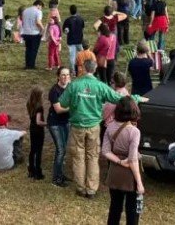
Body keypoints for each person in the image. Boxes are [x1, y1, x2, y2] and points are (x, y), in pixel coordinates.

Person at [55, 59, 128, 199]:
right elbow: (120, 99)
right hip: (94, 126)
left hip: (77, 127)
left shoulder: (74, 85)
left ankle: (80, 187)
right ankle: (91, 189)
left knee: (78, 157)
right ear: (94, 69)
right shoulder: (101, 86)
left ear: (82, 68)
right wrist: (136, 98)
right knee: (93, 157)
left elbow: (63, 102)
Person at [103, 96, 145, 225]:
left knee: (115, 208)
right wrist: (139, 182)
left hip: (114, 172)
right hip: (130, 175)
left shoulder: (110, 127)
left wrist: (119, 162)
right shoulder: (134, 131)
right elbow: (132, 159)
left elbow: (105, 151)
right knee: (132, 210)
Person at [47, 67, 72, 187]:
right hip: (55, 123)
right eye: (63, 75)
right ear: (58, 76)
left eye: (67, 75)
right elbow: (58, 109)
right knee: (60, 150)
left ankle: (60, 174)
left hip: (66, 122)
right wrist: (73, 107)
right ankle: (56, 179)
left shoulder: (70, 87)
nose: (65, 77)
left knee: (63, 149)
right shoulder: (54, 91)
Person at [27, 86, 46, 180]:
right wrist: (47, 123)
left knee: (32, 149)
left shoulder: (29, 104)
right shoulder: (39, 107)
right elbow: (39, 122)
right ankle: (38, 172)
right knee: (38, 151)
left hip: (32, 128)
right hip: (38, 130)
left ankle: (31, 169)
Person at [21, 0, 45, 70]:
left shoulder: (25, 11)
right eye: (41, 7)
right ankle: (31, 65)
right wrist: (43, 29)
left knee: (28, 49)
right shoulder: (38, 11)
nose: (41, 9)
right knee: (34, 50)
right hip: (34, 33)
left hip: (26, 32)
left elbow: (23, 21)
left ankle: (27, 64)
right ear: (39, 5)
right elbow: (38, 22)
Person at [63, 4, 86, 75]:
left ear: (70, 11)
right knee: (83, 55)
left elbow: (65, 31)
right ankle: (84, 69)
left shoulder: (67, 20)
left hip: (71, 41)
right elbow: (82, 28)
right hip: (79, 40)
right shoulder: (80, 19)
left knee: (72, 57)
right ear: (77, 11)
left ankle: (73, 71)